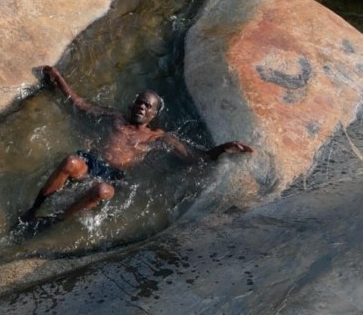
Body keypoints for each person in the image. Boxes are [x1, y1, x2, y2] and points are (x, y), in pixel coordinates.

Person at [20, 65, 254, 223]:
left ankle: (54, 223)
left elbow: (196, 157)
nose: (142, 107)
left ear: (153, 115)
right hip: (92, 163)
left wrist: (224, 147)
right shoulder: (115, 118)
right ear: (133, 106)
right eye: (140, 103)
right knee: (71, 161)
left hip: (116, 176)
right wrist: (57, 77)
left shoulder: (158, 137)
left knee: (101, 191)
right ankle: (33, 210)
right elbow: (79, 103)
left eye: (148, 106)